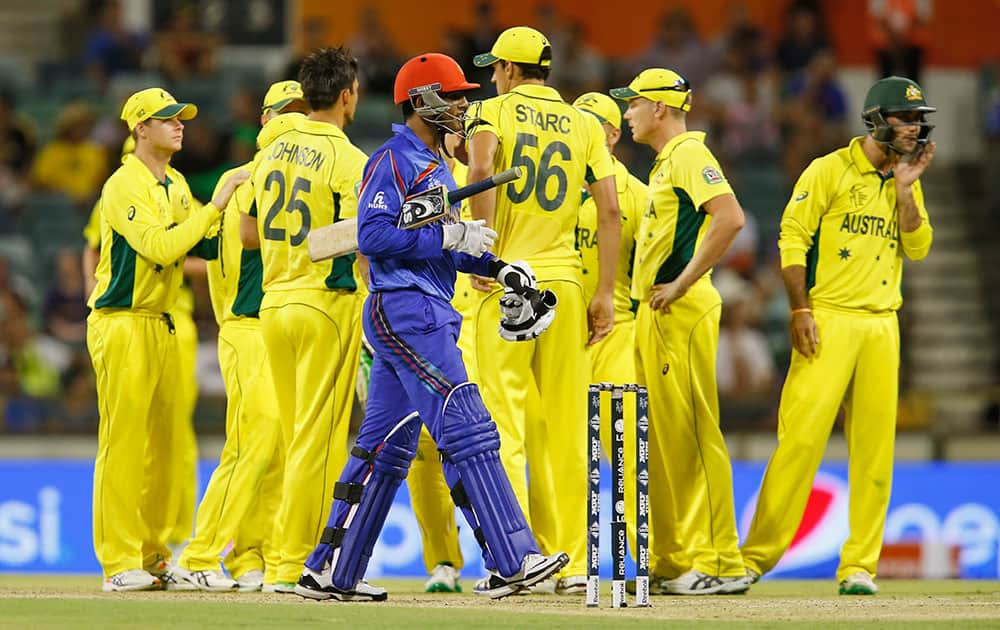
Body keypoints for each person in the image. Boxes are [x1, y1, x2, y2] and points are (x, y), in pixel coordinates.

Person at [294, 52, 568, 602]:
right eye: (454, 95)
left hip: (419, 305)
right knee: (465, 420)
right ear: (423, 102)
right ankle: (512, 558)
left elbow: (441, 248)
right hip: (407, 310)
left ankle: (330, 570)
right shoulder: (393, 160)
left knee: (384, 447)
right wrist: (446, 238)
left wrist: (495, 265)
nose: (465, 104)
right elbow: (372, 238)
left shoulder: (438, 166)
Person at [740, 76, 936, 595]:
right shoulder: (828, 169)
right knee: (800, 440)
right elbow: (791, 236)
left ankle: (859, 567)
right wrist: (799, 307)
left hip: (881, 325)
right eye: (904, 118)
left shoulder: (906, 177)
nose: (914, 128)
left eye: (918, 119)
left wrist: (906, 191)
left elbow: (917, 248)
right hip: (827, 317)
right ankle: (755, 558)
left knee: (875, 450)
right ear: (876, 120)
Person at [465, 26, 622, 594]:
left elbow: (480, 171)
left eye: (494, 68)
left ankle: (515, 558)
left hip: (505, 280)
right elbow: (608, 211)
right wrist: (604, 291)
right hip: (565, 281)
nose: (490, 77)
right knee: (566, 431)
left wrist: (484, 253)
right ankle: (578, 564)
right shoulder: (584, 124)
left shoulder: (491, 112)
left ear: (508, 70)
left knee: (500, 426)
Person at [87, 87, 247, 591]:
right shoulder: (124, 185)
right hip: (122, 321)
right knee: (123, 445)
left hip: (160, 322)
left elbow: (206, 238)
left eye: (181, 118)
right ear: (140, 128)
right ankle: (118, 563)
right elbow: (159, 247)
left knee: (160, 449)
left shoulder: (174, 183)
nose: (179, 125)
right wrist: (216, 202)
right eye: (167, 119)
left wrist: (245, 201)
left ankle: (154, 556)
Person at [611, 67, 749, 595]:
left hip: (679, 308)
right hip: (656, 310)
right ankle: (679, 556)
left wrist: (685, 282)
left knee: (693, 433)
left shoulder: (690, 154)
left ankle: (722, 561)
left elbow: (730, 218)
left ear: (660, 110)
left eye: (634, 104)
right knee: (666, 439)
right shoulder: (670, 161)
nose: (628, 114)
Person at [168, 81, 310, 592]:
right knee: (256, 437)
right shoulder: (253, 178)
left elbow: (221, 251)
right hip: (248, 327)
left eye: (301, 111)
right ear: (264, 121)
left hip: (269, 325)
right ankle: (201, 554)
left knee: (274, 446)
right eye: (284, 113)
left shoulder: (253, 176)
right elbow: (250, 237)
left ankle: (255, 557)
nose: (293, 122)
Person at [239, 47, 366, 594]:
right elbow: (363, 240)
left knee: (296, 441)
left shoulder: (269, 151)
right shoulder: (349, 158)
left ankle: (275, 562)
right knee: (317, 442)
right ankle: (295, 566)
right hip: (325, 305)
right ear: (345, 95)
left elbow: (246, 230)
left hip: (274, 304)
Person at [571, 91, 646, 584]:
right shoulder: (556, 191)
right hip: (558, 338)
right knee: (561, 453)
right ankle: (564, 558)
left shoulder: (638, 196)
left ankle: (633, 561)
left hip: (616, 332)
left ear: (613, 135)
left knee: (620, 454)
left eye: (589, 124)